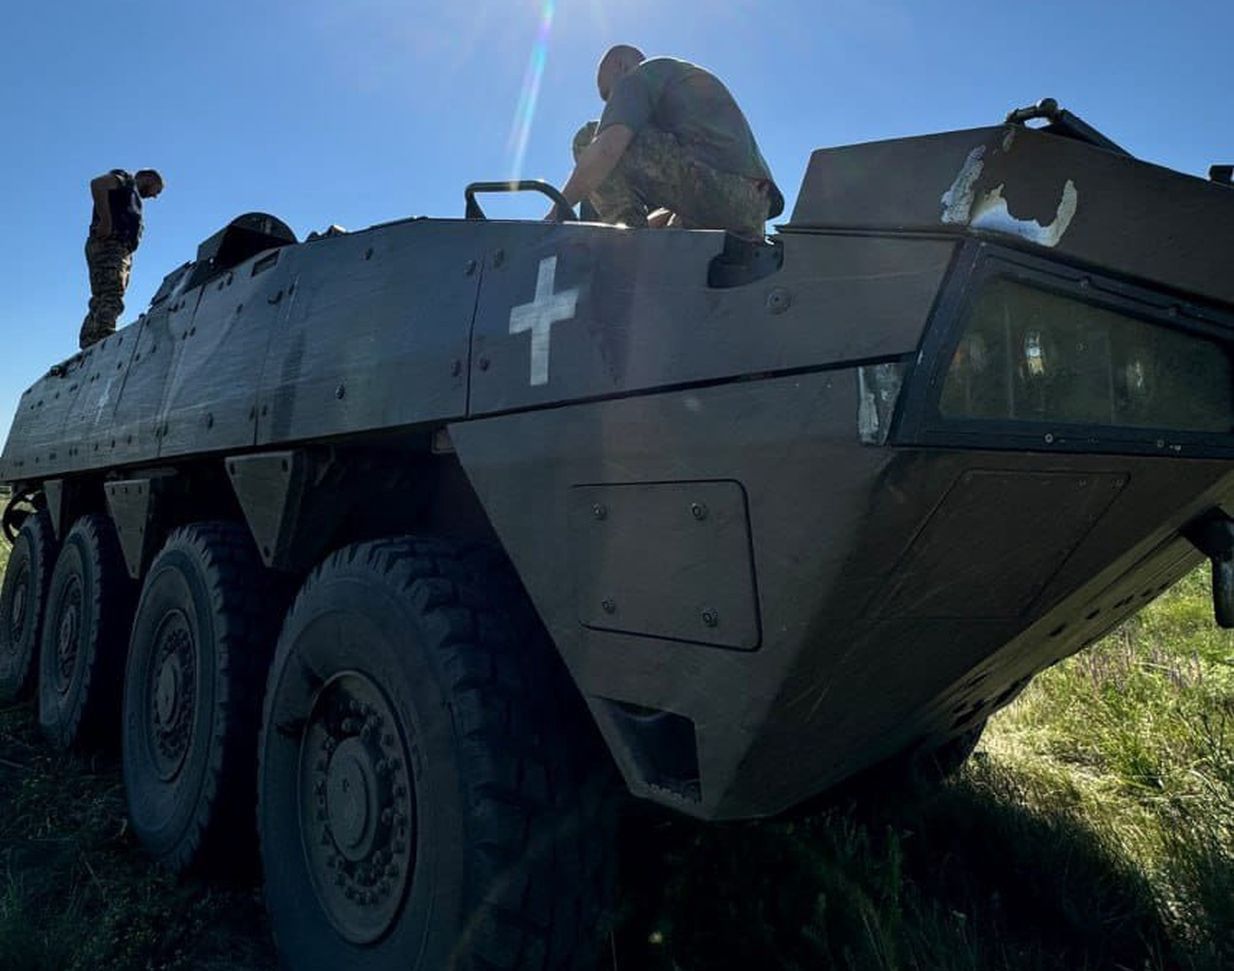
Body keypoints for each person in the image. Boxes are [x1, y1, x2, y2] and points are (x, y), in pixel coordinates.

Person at [548, 46, 782, 239]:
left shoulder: (639, 76)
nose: (612, 107)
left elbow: (608, 147)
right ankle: (636, 239)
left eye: (610, 96)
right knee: (665, 233)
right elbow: (685, 187)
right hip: (748, 208)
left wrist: (555, 214)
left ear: (620, 67)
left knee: (589, 138)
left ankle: (626, 245)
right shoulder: (676, 97)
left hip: (724, 193)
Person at [79, 168, 164, 349]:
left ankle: (91, 338)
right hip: (110, 244)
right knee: (111, 293)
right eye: (157, 189)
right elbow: (98, 184)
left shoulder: (131, 194)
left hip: (120, 248)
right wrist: (106, 221)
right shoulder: (126, 180)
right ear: (149, 178)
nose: (155, 196)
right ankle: (100, 336)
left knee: (105, 294)